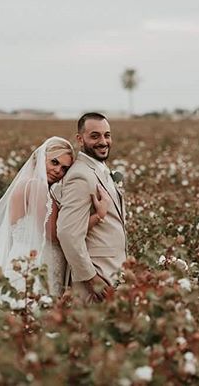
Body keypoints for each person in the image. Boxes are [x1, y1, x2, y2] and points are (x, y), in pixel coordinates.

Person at [0, 136, 111, 300]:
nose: (58, 171)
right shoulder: (36, 187)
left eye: (64, 169)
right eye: (54, 162)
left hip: (20, 262)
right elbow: (55, 234)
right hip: (35, 267)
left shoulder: (23, 185)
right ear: (41, 158)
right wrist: (98, 216)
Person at [53, 113, 127, 303]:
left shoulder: (101, 170)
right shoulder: (81, 176)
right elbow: (68, 233)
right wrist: (90, 278)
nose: (103, 141)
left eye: (107, 135)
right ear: (80, 139)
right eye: (95, 136)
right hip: (96, 278)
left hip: (113, 270)